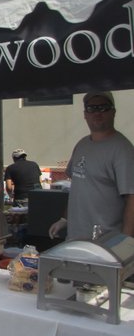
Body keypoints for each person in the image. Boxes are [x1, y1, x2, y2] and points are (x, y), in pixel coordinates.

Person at [49, 91, 134, 241]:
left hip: (107, 243)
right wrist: (64, 219)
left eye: (103, 108)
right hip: (75, 239)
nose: (97, 113)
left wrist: (125, 243)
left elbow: (131, 198)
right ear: (85, 114)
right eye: (92, 108)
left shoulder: (123, 149)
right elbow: (77, 187)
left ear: (113, 112)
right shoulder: (81, 145)